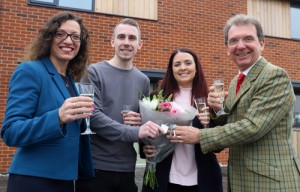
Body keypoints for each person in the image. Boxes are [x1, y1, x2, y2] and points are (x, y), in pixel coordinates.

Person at [169, 14, 300, 191]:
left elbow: (252, 127)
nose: (240, 46)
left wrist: (200, 136)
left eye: (248, 38)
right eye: (233, 41)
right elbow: (233, 121)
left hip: (270, 182)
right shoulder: (235, 81)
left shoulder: (274, 76)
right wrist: (219, 109)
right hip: (241, 179)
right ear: (227, 48)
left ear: (262, 43)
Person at [1, 12, 95, 192]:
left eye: (76, 36)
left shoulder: (69, 80)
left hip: (65, 180)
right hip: (34, 180)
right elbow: (11, 131)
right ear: (49, 38)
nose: (69, 41)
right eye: (61, 34)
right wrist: (58, 117)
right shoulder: (30, 71)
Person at [75, 18, 163, 192]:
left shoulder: (143, 80)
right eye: (121, 37)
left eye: (132, 38)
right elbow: (93, 117)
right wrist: (136, 130)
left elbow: (143, 125)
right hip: (95, 167)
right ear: (112, 41)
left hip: (127, 169)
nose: (126, 43)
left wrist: (145, 130)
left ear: (140, 44)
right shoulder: (93, 72)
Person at [142, 48, 223, 192]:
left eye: (188, 63)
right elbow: (145, 132)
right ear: (171, 69)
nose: (183, 68)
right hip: (164, 176)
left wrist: (208, 123)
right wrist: (145, 148)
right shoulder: (157, 98)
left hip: (202, 178)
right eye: (177, 64)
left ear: (196, 68)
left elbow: (219, 145)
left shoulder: (209, 99)